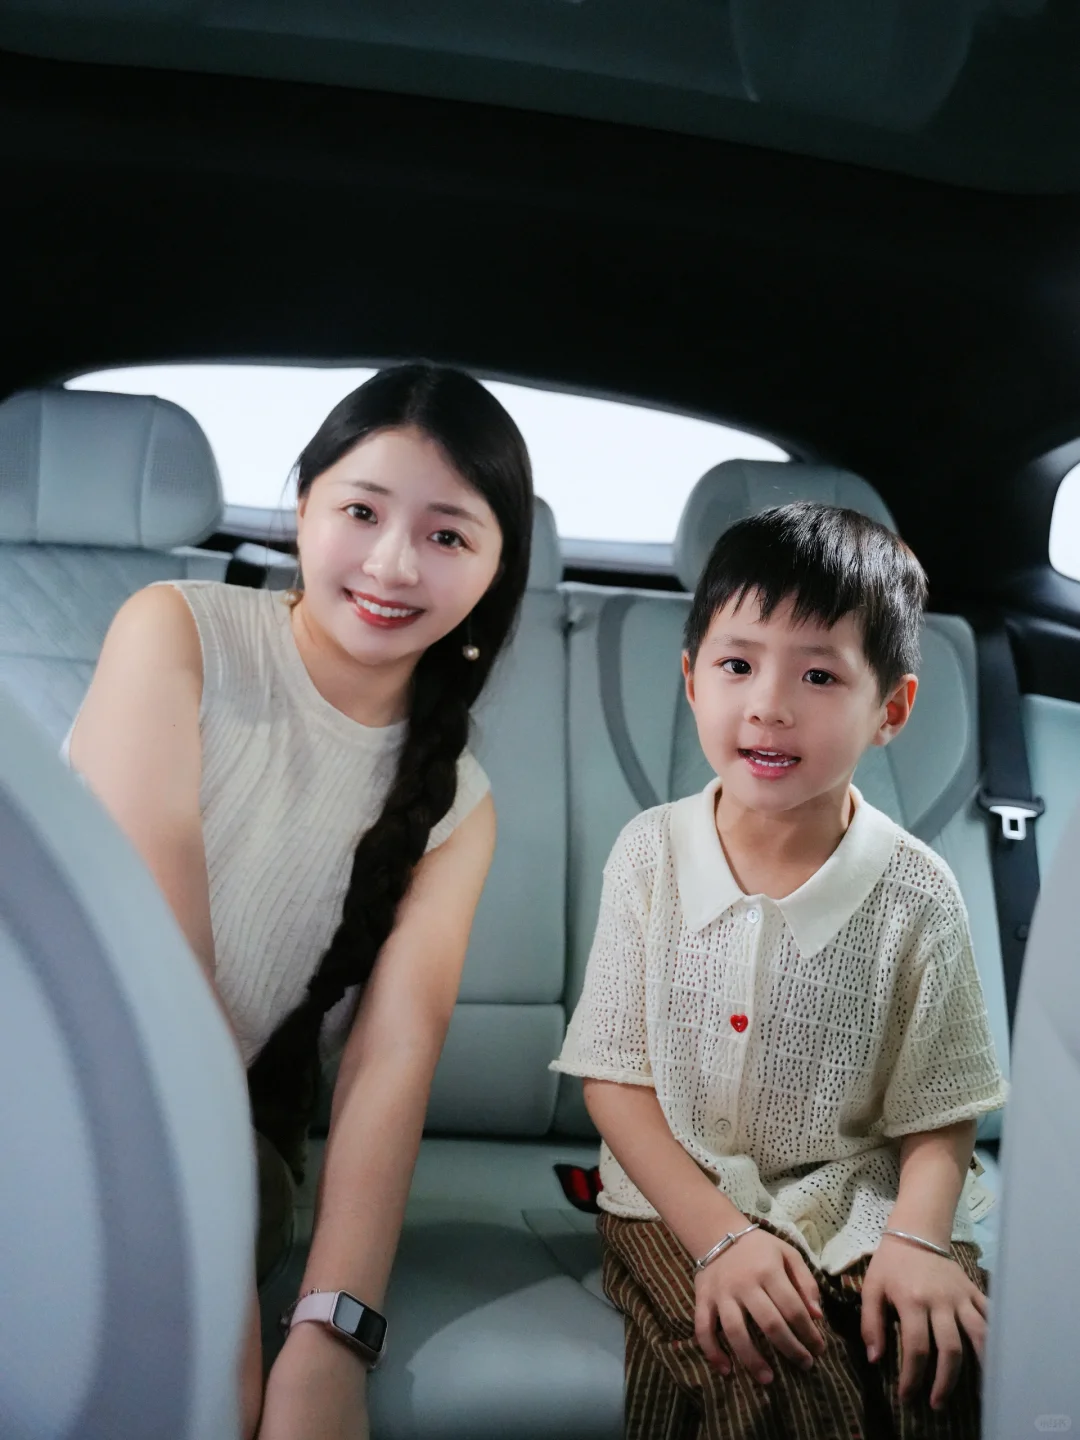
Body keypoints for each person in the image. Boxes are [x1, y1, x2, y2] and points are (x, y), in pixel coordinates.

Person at [64, 362, 534, 1440]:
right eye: (361, 511)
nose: (391, 564)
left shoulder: (461, 809)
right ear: (305, 505)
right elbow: (161, 977)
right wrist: (215, 1293)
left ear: (496, 570)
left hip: (229, 1149)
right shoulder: (174, 631)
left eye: (448, 535)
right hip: (51, 1084)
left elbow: (389, 1064)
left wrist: (331, 1339)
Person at [551, 502, 1008, 1440]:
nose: (768, 704)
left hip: (864, 1195)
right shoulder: (651, 856)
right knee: (766, 1366)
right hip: (674, 1200)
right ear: (691, 680)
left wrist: (918, 1241)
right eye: (737, 665)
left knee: (936, 1360)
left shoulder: (917, 893)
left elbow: (942, 1106)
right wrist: (721, 1237)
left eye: (818, 674)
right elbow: (614, 1080)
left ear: (891, 710)